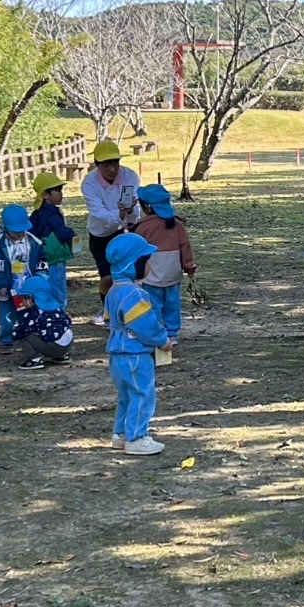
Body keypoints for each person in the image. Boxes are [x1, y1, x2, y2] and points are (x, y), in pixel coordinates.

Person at [104, 233, 173, 455]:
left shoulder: (113, 291)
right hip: (135, 354)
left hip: (116, 354)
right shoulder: (135, 294)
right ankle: (136, 438)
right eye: (146, 260)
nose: (150, 265)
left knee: (126, 396)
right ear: (134, 264)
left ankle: (121, 434)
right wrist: (163, 340)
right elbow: (146, 326)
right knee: (143, 394)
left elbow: (108, 318)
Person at [81, 140, 141, 327]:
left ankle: (131, 309)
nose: (112, 169)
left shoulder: (130, 176)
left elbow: (135, 207)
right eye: (106, 164)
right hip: (101, 233)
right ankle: (108, 312)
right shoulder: (89, 183)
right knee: (107, 276)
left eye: (115, 163)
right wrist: (120, 214)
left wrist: (130, 211)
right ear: (97, 164)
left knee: (130, 273)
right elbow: (98, 213)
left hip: (127, 229)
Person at [130, 183, 196, 347]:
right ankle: (172, 334)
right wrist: (189, 267)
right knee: (173, 304)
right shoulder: (177, 225)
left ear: (147, 206)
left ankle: (158, 335)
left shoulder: (141, 227)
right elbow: (185, 247)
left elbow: (134, 252)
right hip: (173, 273)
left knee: (154, 305)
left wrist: (133, 274)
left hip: (151, 274)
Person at [0, 204, 48, 353]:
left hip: (27, 288)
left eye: (23, 230)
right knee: (7, 317)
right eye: (16, 232)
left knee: (27, 315)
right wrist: (0, 285)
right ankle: (6, 340)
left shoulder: (34, 242)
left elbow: (42, 263)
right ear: (6, 228)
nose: (21, 234)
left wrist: (40, 280)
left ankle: (27, 339)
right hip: (8, 290)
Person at [30, 171, 76, 310]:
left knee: (45, 283)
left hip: (41, 256)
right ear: (46, 195)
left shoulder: (36, 213)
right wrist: (72, 234)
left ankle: (44, 310)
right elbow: (62, 233)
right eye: (58, 191)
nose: (61, 194)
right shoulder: (52, 214)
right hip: (55, 255)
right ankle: (58, 312)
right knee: (58, 286)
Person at [13, 274, 75, 369]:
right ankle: (62, 356)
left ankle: (34, 360)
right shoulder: (56, 307)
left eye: (24, 297)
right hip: (68, 345)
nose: (22, 301)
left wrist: (13, 335)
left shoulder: (33, 313)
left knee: (24, 334)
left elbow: (22, 330)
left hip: (54, 348)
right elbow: (68, 321)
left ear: (31, 298)